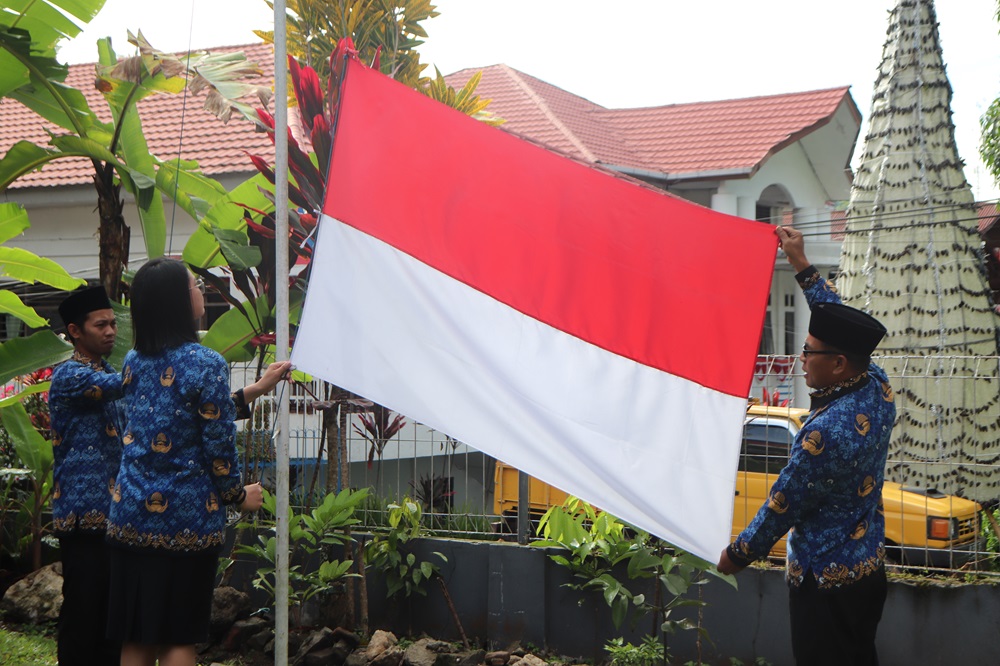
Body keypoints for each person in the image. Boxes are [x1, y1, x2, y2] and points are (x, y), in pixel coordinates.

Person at [717, 225, 895, 666]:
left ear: (837, 364)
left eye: (809, 353)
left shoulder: (823, 434)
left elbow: (783, 503)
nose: (801, 360)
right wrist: (800, 264)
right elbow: (836, 319)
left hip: (824, 586)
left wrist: (738, 555)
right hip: (868, 568)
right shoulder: (876, 384)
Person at [105, 257, 281, 666]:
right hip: (186, 520)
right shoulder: (207, 364)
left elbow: (175, 420)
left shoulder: (133, 361)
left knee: (138, 636)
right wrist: (239, 496)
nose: (200, 292)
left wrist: (255, 388)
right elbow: (217, 444)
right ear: (177, 302)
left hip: (129, 515)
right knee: (179, 638)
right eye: (193, 286)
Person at [48, 286, 125, 665]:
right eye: (101, 325)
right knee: (82, 613)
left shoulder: (107, 371)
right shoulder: (69, 376)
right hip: (81, 516)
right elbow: (125, 384)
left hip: (116, 515)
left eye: (113, 323)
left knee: (112, 619)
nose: (111, 331)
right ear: (76, 331)